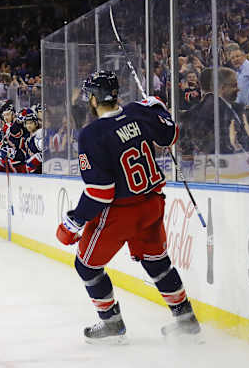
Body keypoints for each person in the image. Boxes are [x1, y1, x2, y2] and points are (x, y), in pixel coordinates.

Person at [56, 71, 201, 344]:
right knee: (157, 263)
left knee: (86, 265)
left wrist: (73, 221)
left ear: (94, 99)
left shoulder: (91, 134)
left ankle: (112, 325)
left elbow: (101, 192)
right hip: (152, 204)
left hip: (120, 212)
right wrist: (158, 107)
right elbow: (171, 135)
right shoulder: (138, 111)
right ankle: (186, 321)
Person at [22, 105, 43, 174]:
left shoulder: (39, 134)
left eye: (31, 123)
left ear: (36, 123)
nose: (29, 125)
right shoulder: (27, 137)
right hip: (31, 172)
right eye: (27, 123)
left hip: (40, 172)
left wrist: (33, 161)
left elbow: (44, 154)